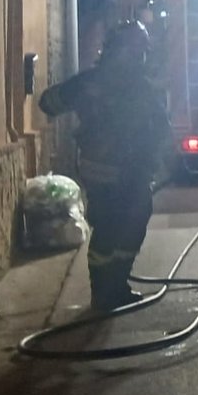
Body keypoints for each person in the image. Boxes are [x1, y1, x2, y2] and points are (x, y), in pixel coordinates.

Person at [38, 20, 170, 311]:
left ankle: (112, 288)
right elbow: (161, 128)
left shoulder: (97, 82)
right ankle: (107, 291)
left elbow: (49, 102)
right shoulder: (134, 86)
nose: (138, 56)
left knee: (122, 226)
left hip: (115, 170)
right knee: (118, 227)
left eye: (140, 50)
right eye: (136, 50)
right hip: (120, 171)